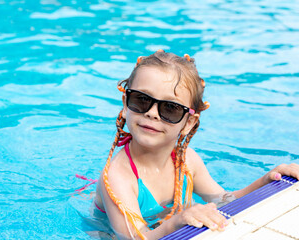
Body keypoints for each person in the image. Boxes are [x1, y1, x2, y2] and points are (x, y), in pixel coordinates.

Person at [92, 50, 299, 239]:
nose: (152, 113)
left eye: (170, 108)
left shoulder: (186, 160)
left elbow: (223, 200)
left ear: (188, 123)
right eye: (141, 100)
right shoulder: (117, 177)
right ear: (125, 104)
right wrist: (178, 221)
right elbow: (134, 237)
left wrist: (266, 181)